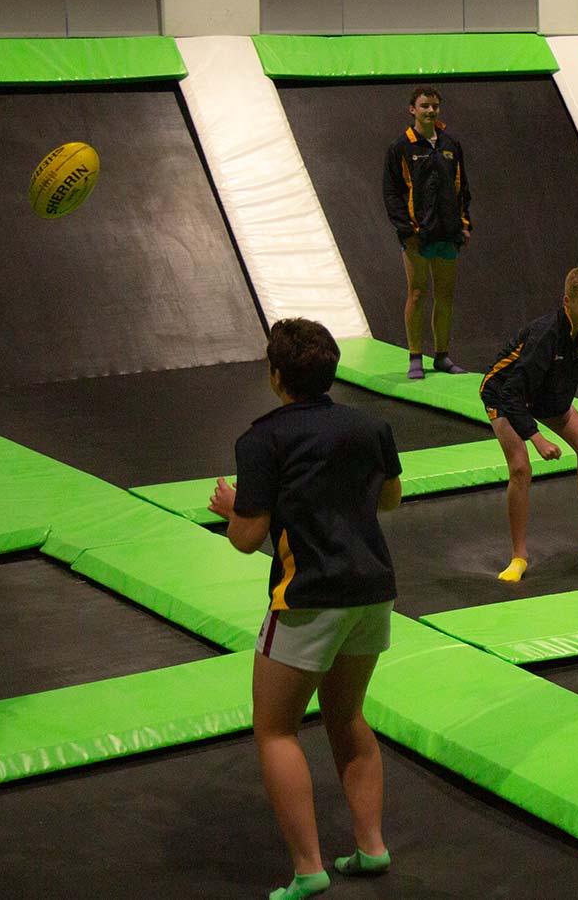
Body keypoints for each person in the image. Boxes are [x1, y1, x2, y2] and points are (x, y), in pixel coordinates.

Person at [208, 318, 404, 900]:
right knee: (347, 716)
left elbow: (247, 537)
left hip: (308, 597)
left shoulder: (262, 439)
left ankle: (308, 868)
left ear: (275, 376)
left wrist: (228, 508)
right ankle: (371, 847)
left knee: (274, 730)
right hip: (373, 589)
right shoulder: (371, 425)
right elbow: (389, 498)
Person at [478, 266, 578, 583]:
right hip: (505, 395)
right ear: (567, 301)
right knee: (520, 468)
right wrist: (537, 438)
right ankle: (518, 557)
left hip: (548, 393)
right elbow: (512, 394)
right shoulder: (544, 336)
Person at [383, 86, 471, 380]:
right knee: (418, 294)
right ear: (412, 110)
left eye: (434, 106)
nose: (430, 111)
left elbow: (463, 188)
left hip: (448, 234)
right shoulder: (401, 147)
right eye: (424, 106)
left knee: (445, 296)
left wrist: (464, 224)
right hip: (417, 236)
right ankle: (415, 357)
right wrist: (405, 229)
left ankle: (442, 357)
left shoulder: (450, 145)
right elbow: (392, 193)